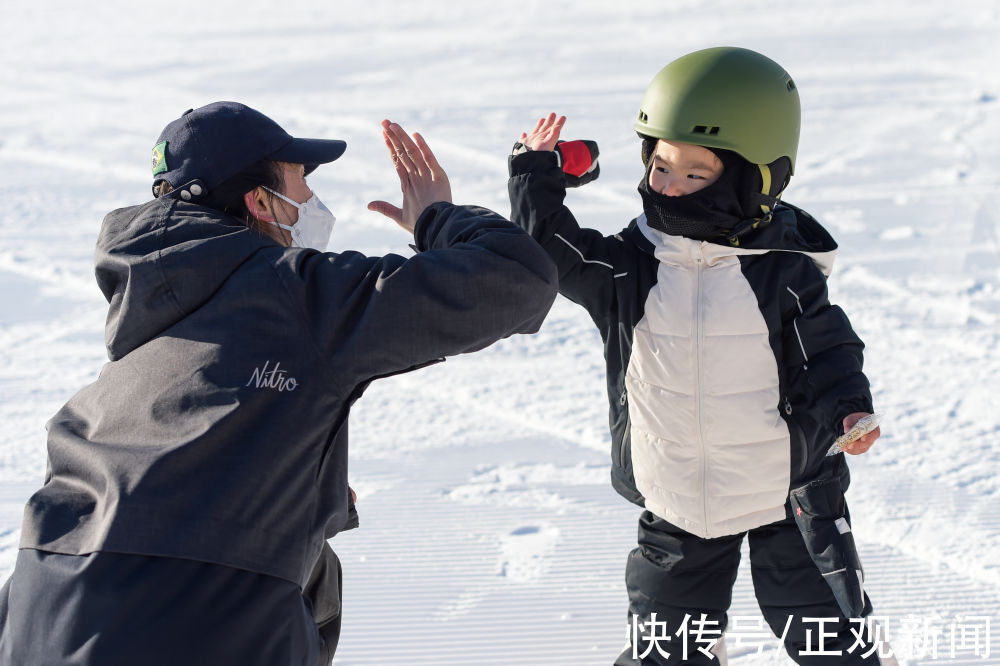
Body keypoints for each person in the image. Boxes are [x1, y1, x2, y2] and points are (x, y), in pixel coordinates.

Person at [0, 101, 557, 665]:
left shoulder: (141, 328)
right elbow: (514, 279)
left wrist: (304, 490)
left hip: (37, 616)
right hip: (179, 619)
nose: (312, 199)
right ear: (260, 200)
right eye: (300, 179)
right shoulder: (293, 293)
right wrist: (437, 216)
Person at [507, 48, 888, 665]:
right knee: (666, 649)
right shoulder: (632, 265)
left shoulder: (782, 272)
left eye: (696, 173)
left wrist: (848, 409)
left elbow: (828, 349)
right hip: (678, 496)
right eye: (660, 165)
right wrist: (536, 175)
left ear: (753, 177)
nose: (670, 186)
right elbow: (549, 252)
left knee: (831, 644)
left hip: (789, 497)